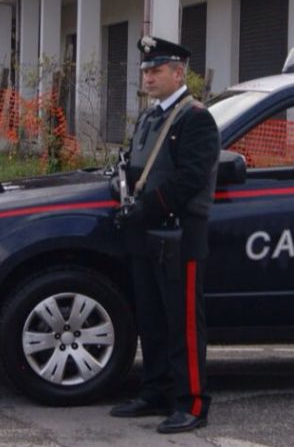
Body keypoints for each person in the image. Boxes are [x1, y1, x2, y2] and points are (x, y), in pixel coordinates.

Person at [110, 35, 220, 434]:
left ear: (178, 73)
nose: (148, 76)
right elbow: (137, 167)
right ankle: (155, 390)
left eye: (156, 70)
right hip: (147, 234)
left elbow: (191, 179)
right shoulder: (150, 116)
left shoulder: (195, 118)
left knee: (183, 324)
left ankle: (191, 402)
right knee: (151, 320)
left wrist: (147, 206)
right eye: (146, 70)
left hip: (178, 233)